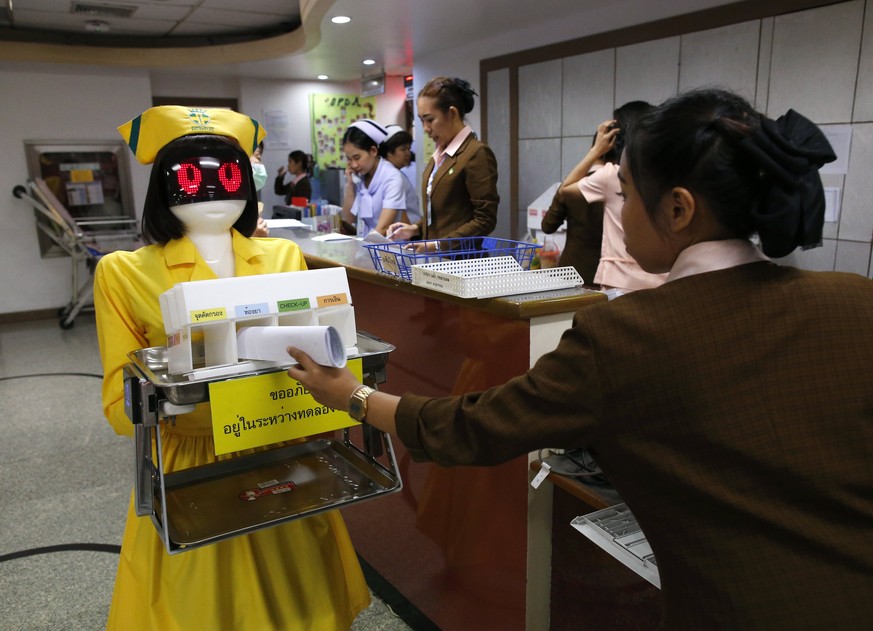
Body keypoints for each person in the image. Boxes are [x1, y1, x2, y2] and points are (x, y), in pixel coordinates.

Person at [285, 88, 873, 629]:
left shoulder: (623, 337)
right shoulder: (855, 300)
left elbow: (473, 427)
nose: (614, 205)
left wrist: (351, 396)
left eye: (624, 192)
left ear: (678, 210)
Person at [95, 106, 370, 630]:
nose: (215, 192)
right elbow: (119, 405)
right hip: (191, 469)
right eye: (191, 177)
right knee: (201, 608)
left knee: (304, 601)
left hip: (285, 450)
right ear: (164, 186)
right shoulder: (124, 273)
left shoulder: (282, 256)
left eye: (230, 174)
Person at [560, 101, 667, 295]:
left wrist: (596, 150)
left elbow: (566, 189)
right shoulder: (668, 175)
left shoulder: (611, 175)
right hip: (661, 278)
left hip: (619, 280)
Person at [387, 77, 499, 247]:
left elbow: (485, 219)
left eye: (430, 119)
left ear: (452, 113)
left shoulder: (476, 153)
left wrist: (439, 245)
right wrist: (414, 228)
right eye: (421, 120)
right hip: (436, 261)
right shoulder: (440, 155)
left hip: (462, 262)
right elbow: (441, 216)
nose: (425, 128)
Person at [541, 133, 606, 283]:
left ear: (594, 148)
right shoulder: (622, 186)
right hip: (604, 274)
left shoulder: (571, 185)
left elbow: (547, 225)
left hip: (571, 270)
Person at [340, 118, 407, 236]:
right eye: (349, 159)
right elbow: (349, 219)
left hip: (388, 248)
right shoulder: (360, 177)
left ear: (373, 151)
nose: (354, 165)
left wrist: (363, 250)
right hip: (366, 245)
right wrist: (350, 184)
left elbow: (383, 227)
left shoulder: (392, 177)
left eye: (357, 158)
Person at [382, 124, 421, 224]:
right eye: (403, 149)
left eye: (408, 149)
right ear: (389, 152)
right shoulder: (394, 177)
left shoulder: (393, 173)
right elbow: (401, 212)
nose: (408, 153)